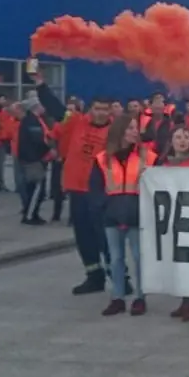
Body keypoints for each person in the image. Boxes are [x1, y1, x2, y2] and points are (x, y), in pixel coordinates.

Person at [35, 74, 114, 294]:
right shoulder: (75, 122)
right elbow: (54, 107)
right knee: (84, 237)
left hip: (103, 193)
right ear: (90, 109)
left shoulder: (117, 131)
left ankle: (118, 276)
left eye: (105, 109)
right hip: (78, 190)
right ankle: (94, 276)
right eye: (97, 108)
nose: (101, 112)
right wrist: (40, 83)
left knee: (106, 237)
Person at [89, 113, 156, 317]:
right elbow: (95, 188)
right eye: (130, 128)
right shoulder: (102, 159)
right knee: (115, 258)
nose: (135, 131)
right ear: (120, 131)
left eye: (136, 128)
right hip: (112, 215)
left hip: (138, 214)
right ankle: (117, 297)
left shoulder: (148, 156)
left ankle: (140, 297)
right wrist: (106, 208)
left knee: (138, 257)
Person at [159, 127, 189, 322]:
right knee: (177, 260)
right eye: (178, 137)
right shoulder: (163, 165)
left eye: (186, 137)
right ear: (171, 141)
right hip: (171, 219)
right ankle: (184, 300)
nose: (183, 140)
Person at [16, 99, 55, 225]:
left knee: (35, 188)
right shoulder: (32, 121)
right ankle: (30, 215)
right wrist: (49, 148)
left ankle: (32, 213)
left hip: (34, 158)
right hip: (34, 159)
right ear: (36, 107)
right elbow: (38, 140)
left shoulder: (34, 120)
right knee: (37, 188)